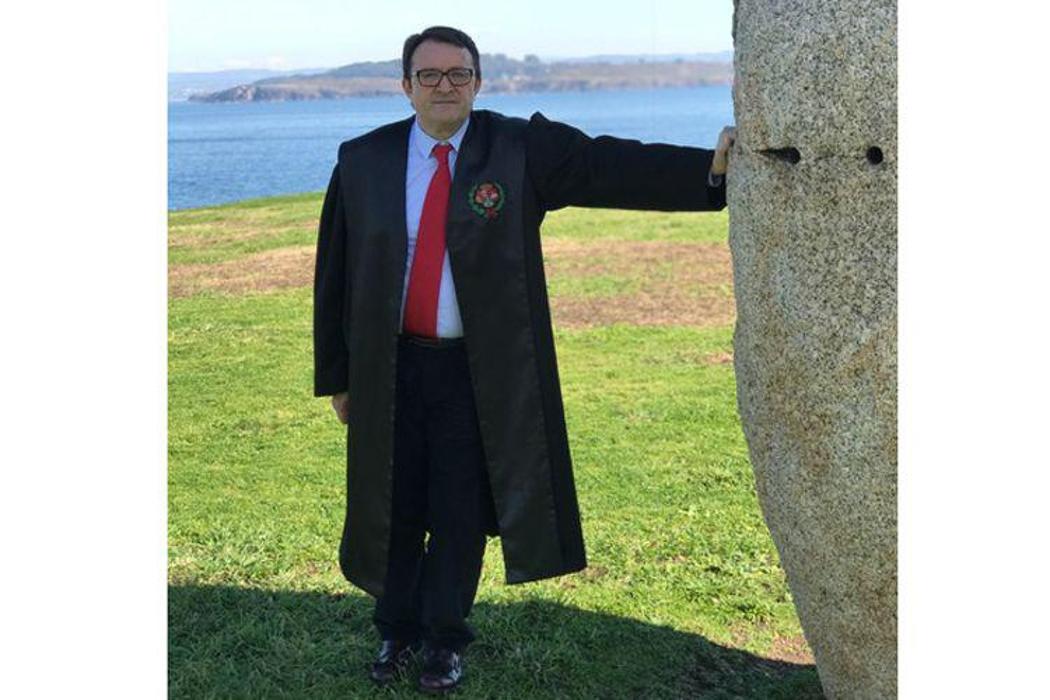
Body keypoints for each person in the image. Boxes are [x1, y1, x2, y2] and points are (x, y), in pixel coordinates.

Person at [313, 25, 735, 693]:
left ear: (478, 83)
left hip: (475, 372)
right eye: (430, 75)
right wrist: (338, 378)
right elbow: (334, 274)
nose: (445, 85)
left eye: (459, 73)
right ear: (406, 86)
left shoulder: (517, 149)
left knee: (458, 511)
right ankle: (395, 629)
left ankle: (444, 640)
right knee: (392, 505)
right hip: (387, 370)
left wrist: (710, 173)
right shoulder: (363, 160)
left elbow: (606, 165)